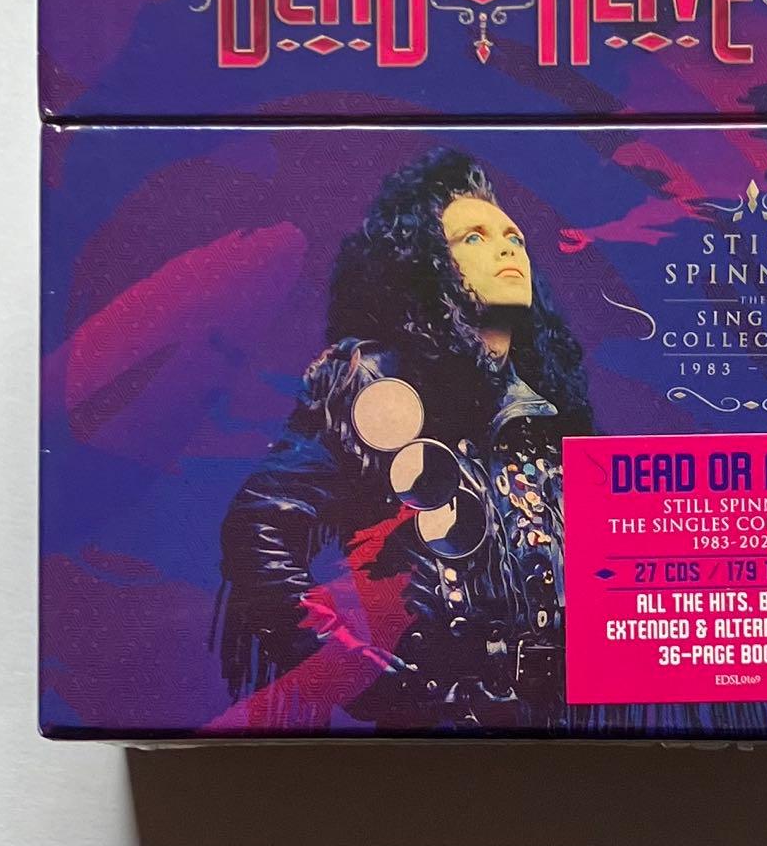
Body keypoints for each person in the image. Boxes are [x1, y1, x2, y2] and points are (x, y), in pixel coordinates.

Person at [215, 148, 592, 732]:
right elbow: (257, 530)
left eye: (513, 237)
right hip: (423, 740)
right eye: (474, 237)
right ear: (431, 265)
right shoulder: (375, 382)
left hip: (552, 737)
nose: (507, 248)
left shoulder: (548, 415)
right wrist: (352, 673)